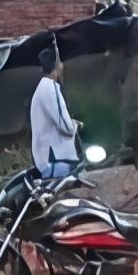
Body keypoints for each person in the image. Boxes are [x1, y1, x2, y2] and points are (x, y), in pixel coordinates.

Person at [30, 44, 84, 179]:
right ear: (57, 66)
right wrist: (75, 125)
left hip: (44, 160)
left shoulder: (41, 88)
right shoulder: (51, 88)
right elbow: (65, 126)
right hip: (56, 160)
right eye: (61, 63)